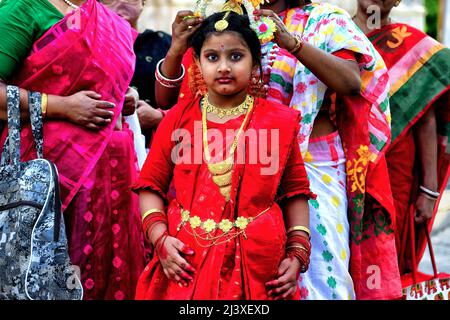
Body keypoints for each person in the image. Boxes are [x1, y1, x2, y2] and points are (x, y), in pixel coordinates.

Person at [154, 0, 401, 300]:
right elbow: (170, 102)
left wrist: (292, 43)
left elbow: (351, 82)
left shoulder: (324, 19)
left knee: (320, 277)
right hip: (246, 164)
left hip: (312, 165)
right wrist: (176, 48)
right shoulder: (230, 19)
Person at [133, 10, 316, 300]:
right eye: (212, 57)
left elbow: (295, 192)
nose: (223, 67)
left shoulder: (279, 122)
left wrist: (297, 255)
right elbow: (150, 186)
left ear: (255, 63)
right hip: (187, 261)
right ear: (197, 62)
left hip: (259, 266)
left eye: (235, 56)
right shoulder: (177, 119)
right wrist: (160, 240)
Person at [0, 0, 146, 300]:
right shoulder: (24, 9)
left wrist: (124, 96)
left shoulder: (109, 21)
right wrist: (61, 107)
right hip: (41, 183)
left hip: (108, 183)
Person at [353, 0, 450, 280]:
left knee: (388, 254)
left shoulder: (413, 46)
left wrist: (429, 191)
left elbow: (426, 121)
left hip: (395, 167)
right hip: (340, 165)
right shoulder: (331, 34)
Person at [100, 0, 172, 149]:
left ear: (143, 3)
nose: (120, 2)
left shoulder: (165, 45)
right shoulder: (84, 45)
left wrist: (160, 117)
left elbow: (195, 101)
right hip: (98, 147)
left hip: (156, 150)